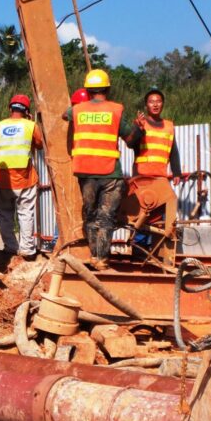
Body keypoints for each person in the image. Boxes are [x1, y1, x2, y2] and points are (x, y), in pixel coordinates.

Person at [62, 68, 134, 270]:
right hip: (111, 172)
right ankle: (101, 259)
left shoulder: (77, 110)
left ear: (87, 89)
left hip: (86, 173)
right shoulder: (115, 110)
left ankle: (94, 255)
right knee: (106, 216)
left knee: (91, 214)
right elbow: (129, 137)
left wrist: (80, 105)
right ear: (107, 89)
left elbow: (63, 115)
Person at [0, 93, 43, 261]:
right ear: (27, 111)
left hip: (2, 178)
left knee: (4, 214)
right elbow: (40, 144)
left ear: (10, 109)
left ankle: (10, 247)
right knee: (25, 213)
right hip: (25, 179)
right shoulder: (31, 125)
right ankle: (27, 250)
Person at [132, 88, 183, 183]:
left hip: (161, 175)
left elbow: (173, 151)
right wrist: (139, 129)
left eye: (158, 101)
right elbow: (132, 144)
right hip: (141, 176)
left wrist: (176, 172)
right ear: (146, 105)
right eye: (151, 102)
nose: (155, 105)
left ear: (163, 104)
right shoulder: (140, 123)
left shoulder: (169, 126)